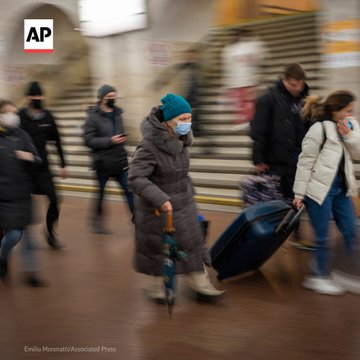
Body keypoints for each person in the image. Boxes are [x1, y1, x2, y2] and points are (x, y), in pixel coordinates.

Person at [128, 93, 224, 303]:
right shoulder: (148, 146)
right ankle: (157, 288)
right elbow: (135, 177)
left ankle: (200, 283)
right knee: (161, 249)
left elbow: (181, 172)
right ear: (168, 121)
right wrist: (160, 198)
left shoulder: (181, 142)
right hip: (160, 208)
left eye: (189, 118)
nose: (187, 124)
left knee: (193, 242)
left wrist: (190, 193)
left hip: (184, 203)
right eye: (182, 119)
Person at [293, 90, 360, 295]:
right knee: (323, 238)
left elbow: (357, 153)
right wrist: (298, 193)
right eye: (348, 110)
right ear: (336, 110)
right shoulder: (319, 129)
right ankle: (318, 277)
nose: (351, 114)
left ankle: (347, 274)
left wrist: (348, 136)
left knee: (351, 231)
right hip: (319, 190)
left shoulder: (351, 126)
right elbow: (305, 162)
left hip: (341, 189)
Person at [19, 81, 68, 250]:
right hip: (23, 170)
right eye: (34, 96)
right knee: (20, 206)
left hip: (43, 168)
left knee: (55, 200)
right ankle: (18, 237)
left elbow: (57, 140)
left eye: (39, 95)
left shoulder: (48, 116)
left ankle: (50, 233)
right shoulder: (20, 116)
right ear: (27, 97)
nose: (37, 98)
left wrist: (63, 164)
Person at [84, 84, 135, 233]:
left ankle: (137, 219)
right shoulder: (92, 117)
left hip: (119, 160)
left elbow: (120, 132)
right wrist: (110, 140)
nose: (112, 99)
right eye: (109, 97)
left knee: (129, 190)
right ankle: (97, 221)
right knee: (100, 194)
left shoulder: (118, 113)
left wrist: (121, 138)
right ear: (101, 98)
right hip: (102, 163)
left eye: (114, 96)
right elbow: (88, 140)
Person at [0, 100, 42, 280]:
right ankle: (3, 257)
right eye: (8, 113)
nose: (13, 117)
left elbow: (38, 159)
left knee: (28, 235)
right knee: (14, 234)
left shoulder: (22, 135)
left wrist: (30, 157)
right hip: (4, 196)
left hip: (23, 193)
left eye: (15, 113)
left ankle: (31, 273)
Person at [222, 28, 266, 126]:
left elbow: (257, 61)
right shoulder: (232, 49)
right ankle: (246, 119)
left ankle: (249, 119)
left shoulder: (243, 48)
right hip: (240, 81)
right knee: (242, 101)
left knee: (246, 101)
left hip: (246, 80)